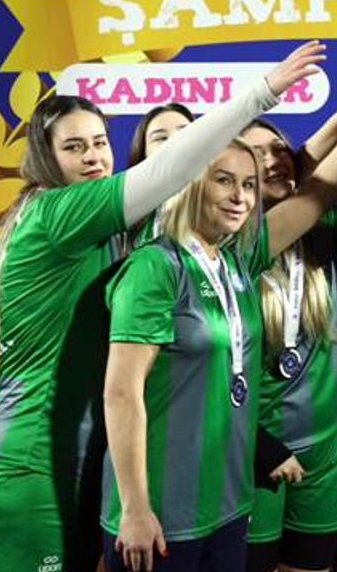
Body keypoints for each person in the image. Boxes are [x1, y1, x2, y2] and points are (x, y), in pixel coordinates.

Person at [0, 41, 327, 572]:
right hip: (27, 462)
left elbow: (264, 204)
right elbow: (174, 171)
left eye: (99, 142)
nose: (93, 157)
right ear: (45, 160)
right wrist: (262, 93)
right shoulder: (56, 212)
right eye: (74, 147)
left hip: (73, 459)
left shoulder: (121, 231)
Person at [246, 79, 337, 572]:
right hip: (255, 448)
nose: (274, 160)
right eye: (257, 155)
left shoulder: (322, 233)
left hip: (326, 444)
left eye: (279, 149)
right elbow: (319, 188)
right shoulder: (229, 248)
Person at [101, 139, 267, 572]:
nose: (240, 197)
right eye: (224, 181)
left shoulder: (232, 264)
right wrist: (135, 509)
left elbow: (312, 202)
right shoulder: (155, 266)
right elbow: (121, 393)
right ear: (190, 182)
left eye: (249, 184)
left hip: (227, 506)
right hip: (161, 517)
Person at [127, 102, 195, 246]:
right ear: (143, 153)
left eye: (185, 133)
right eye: (161, 138)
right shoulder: (127, 214)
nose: (174, 141)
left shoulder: (222, 206)